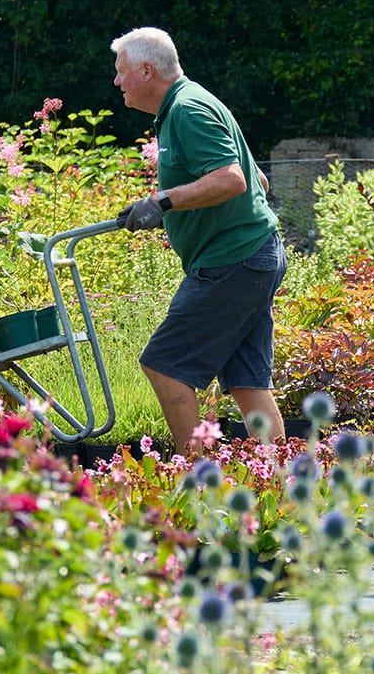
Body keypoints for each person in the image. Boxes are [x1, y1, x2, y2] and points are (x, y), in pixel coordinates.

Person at [109, 27, 286, 450]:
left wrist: (163, 202)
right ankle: (283, 481)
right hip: (251, 256)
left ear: (147, 71)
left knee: (165, 365)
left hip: (233, 261)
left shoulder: (187, 109)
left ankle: (200, 482)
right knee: (246, 382)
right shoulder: (188, 105)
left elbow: (232, 179)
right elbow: (256, 177)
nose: (117, 81)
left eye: (122, 72)